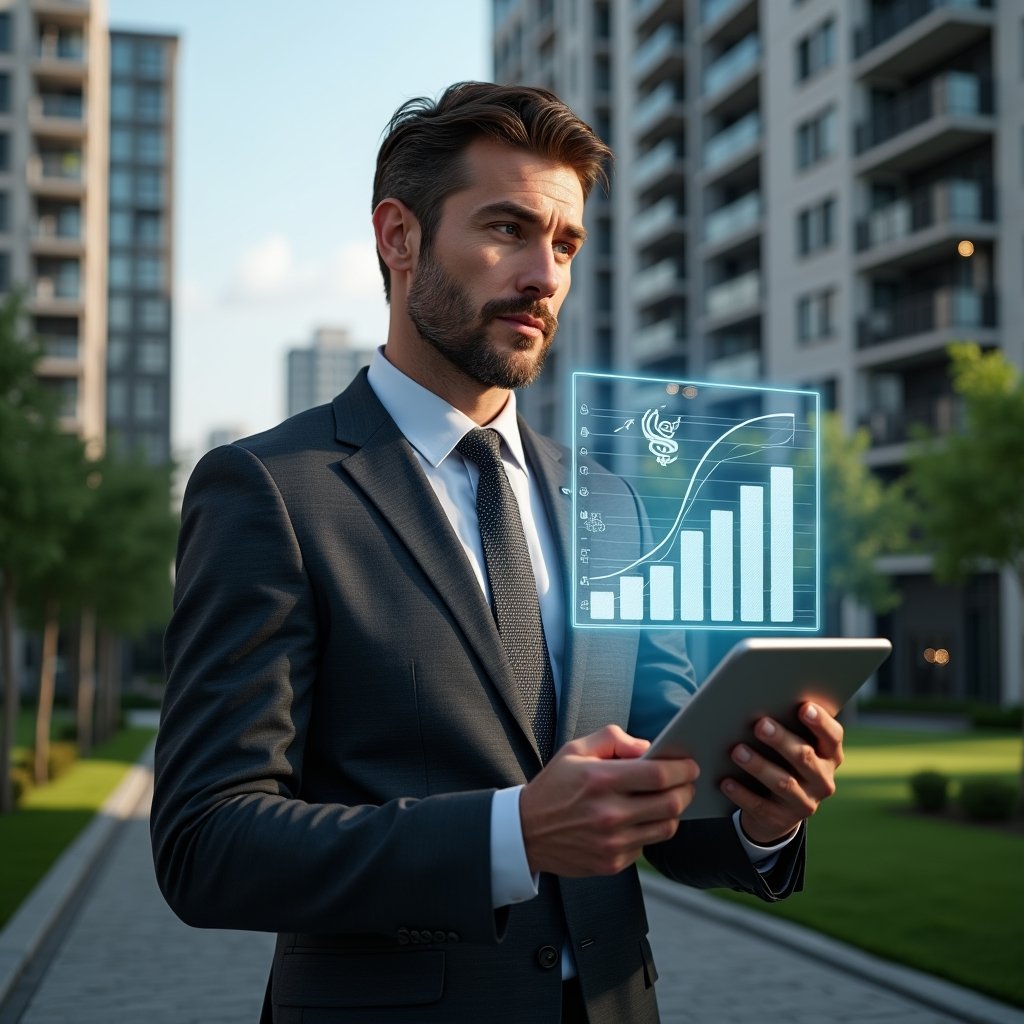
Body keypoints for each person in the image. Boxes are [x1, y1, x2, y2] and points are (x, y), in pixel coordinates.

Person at [151, 82, 844, 1024]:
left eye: (564, 244)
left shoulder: (610, 504)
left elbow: (664, 802)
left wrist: (763, 816)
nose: (545, 276)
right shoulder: (271, 489)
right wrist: (508, 834)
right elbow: (208, 843)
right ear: (399, 238)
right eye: (508, 230)